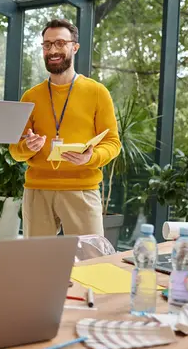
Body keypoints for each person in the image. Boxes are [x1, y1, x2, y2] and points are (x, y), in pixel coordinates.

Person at [9, 19, 121, 238]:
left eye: (60, 43)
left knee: (90, 263)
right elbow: (15, 151)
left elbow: (113, 143)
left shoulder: (97, 92)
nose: (53, 50)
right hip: (37, 191)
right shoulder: (30, 97)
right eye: (47, 45)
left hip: (83, 189)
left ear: (74, 47)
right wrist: (28, 146)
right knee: (38, 264)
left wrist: (90, 157)